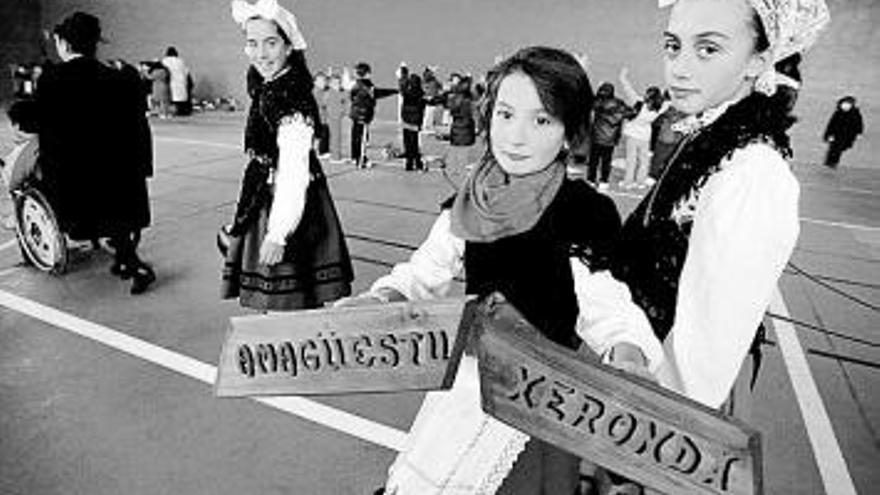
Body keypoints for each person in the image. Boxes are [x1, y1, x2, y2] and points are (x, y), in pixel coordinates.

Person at [339, 46, 663, 495]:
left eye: (541, 121)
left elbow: (608, 306)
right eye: (506, 115)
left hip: (538, 400)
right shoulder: (471, 202)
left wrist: (628, 353)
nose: (515, 137)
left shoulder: (580, 213)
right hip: (466, 390)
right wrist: (383, 299)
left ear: (570, 134)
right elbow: (422, 273)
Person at [615, 0, 830, 416]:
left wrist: (651, 421)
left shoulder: (752, 172)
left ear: (760, 59)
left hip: (667, 406)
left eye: (708, 49)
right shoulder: (708, 138)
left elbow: (703, 355)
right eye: (673, 46)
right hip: (638, 369)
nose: (678, 67)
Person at [222, 0, 353, 311]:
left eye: (271, 43)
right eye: (252, 43)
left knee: (290, 296)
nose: (261, 53)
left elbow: (293, 171)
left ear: (289, 46)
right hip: (265, 193)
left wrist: (278, 232)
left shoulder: (289, 96)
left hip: (285, 202)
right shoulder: (269, 85)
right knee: (288, 297)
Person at [35, 11, 156, 294]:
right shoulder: (120, 78)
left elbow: (44, 128)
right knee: (115, 209)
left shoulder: (52, 81)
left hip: (76, 179)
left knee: (84, 201)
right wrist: (142, 168)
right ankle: (128, 260)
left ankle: (128, 260)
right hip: (119, 176)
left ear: (65, 44)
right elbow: (139, 128)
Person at [617, 68, 666, 189]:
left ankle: (628, 182)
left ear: (647, 95)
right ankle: (641, 182)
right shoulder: (659, 109)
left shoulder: (638, 102)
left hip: (633, 136)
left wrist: (623, 77)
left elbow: (627, 89)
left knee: (631, 160)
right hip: (645, 137)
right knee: (644, 161)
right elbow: (667, 101)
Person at [0, 100, 40, 230]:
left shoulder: (18, 156)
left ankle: (16, 217)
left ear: (16, 126)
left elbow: (13, 183)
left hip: (37, 204)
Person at [587, 82, 628, 191]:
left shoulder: (597, 102)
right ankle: (604, 181)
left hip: (596, 137)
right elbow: (630, 113)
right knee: (606, 161)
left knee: (593, 161)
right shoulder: (620, 103)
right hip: (611, 139)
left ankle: (591, 180)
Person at [822, 95, 863, 169]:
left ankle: (832, 162)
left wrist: (859, 133)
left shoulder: (855, 114)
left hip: (848, 135)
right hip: (837, 135)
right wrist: (828, 135)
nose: (846, 106)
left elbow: (859, 124)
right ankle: (830, 162)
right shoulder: (838, 113)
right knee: (834, 149)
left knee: (840, 148)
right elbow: (831, 124)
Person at [399, 72, 426, 171]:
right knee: (414, 142)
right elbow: (423, 107)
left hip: (406, 120)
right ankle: (418, 162)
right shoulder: (421, 94)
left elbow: (402, 87)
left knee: (407, 142)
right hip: (415, 121)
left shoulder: (407, 93)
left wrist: (402, 75)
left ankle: (409, 163)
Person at [324, 73, 349, 161]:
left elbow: (345, 99)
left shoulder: (335, 92)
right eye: (335, 83)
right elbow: (326, 104)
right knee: (335, 137)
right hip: (333, 117)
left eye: (339, 83)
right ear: (330, 84)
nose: (337, 85)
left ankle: (336, 155)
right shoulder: (331, 93)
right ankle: (335, 157)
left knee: (336, 137)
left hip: (336, 117)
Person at [161, 46, 191, 116]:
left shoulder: (165, 61)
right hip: (182, 82)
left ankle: (173, 111)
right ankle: (182, 111)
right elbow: (186, 72)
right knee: (181, 98)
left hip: (172, 82)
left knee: (173, 98)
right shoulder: (181, 61)